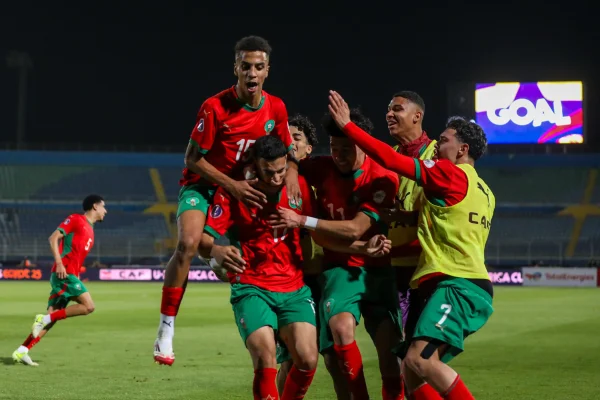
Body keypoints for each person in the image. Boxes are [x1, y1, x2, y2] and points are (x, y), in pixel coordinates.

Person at [328, 90, 495, 400]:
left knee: (419, 361)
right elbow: (450, 220)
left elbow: (392, 160)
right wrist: (405, 216)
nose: (439, 146)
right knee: (411, 369)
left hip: (455, 283)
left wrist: (348, 126)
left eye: (444, 141)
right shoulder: (485, 190)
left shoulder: (448, 172)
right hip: (454, 282)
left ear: (462, 149)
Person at [199, 135, 390, 399]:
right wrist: (217, 251)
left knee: (308, 359)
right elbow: (202, 240)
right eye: (269, 172)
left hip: (294, 289)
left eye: (281, 171)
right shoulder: (236, 191)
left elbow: (319, 236)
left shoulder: (297, 187)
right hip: (252, 286)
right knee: (265, 357)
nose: (277, 178)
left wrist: (362, 248)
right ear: (255, 166)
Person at [154, 35, 301, 366]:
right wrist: (232, 185)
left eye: (259, 67)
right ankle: (166, 327)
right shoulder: (214, 107)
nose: (252, 73)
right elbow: (192, 159)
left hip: (245, 189)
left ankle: (281, 329)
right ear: (235, 68)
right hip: (206, 185)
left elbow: (286, 148)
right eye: (246, 66)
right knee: (188, 244)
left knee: (267, 249)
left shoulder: (276, 107)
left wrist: (292, 172)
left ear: (267, 71)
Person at [270, 109, 404, 400]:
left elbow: (356, 228)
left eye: (346, 148)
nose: (339, 155)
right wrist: (292, 172)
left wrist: (302, 220)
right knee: (338, 332)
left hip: (377, 271)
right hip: (338, 268)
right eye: (334, 147)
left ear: (363, 145)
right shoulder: (322, 167)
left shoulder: (382, 178)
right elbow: (292, 161)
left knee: (390, 357)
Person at [12, 195, 107, 366]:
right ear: (95, 206)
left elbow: (76, 255)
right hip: (63, 273)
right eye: (103, 207)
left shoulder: (90, 229)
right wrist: (59, 264)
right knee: (88, 307)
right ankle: (43, 319)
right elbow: (53, 238)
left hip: (70, 275)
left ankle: (22, 350)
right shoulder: (76, 219)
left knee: (53, 316)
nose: (105, 211)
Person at [383, 91, 436, 332]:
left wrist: (408, 217)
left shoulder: (437, 154)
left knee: (420, 343)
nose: (389, 114)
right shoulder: (388, 156)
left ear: (417, 116)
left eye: (397, 109)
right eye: (388, 109)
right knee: (394, 343)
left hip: (424, 268)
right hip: (390, 268)